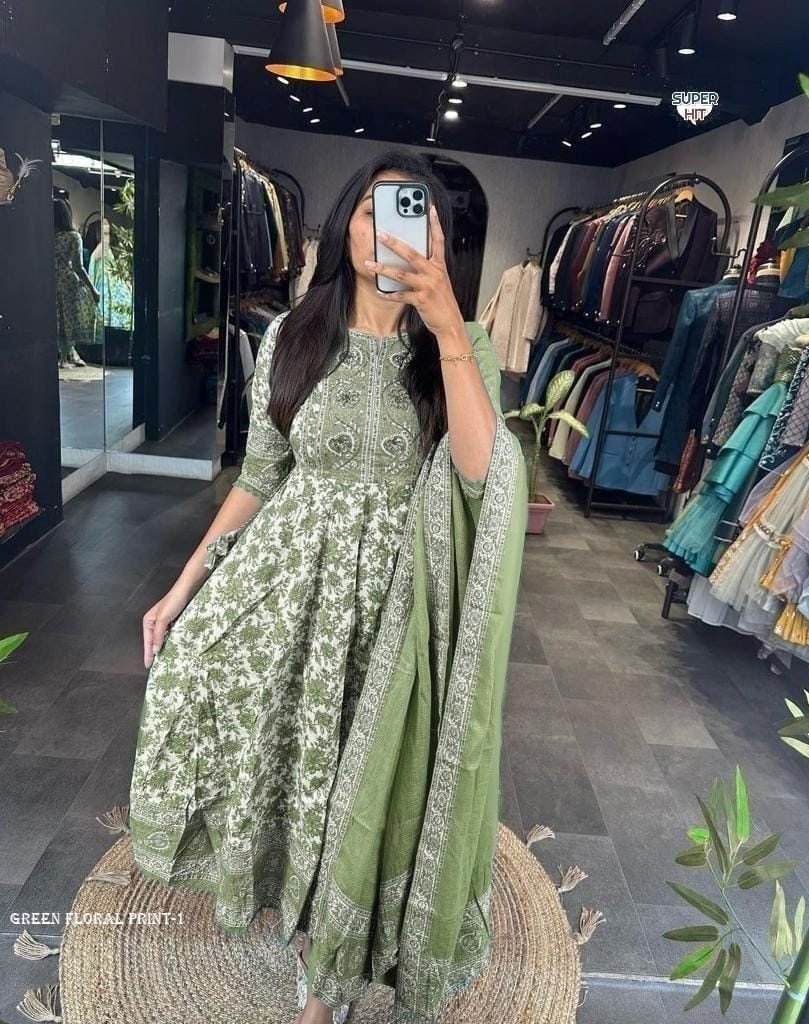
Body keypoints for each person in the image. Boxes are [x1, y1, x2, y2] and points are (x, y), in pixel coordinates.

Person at [127, 149, 527, 1024]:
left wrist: (449, 330)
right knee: (287, 761)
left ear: (438, 237)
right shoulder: (292, 335)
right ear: (345, 227)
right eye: (373, 211)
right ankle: (307, 935)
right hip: (290, 587)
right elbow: (260, 476)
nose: (389, 231)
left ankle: (333, 977)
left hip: (398, 606)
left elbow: (482, 477)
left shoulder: (459, 348)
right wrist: (184, 586)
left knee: (365, 781)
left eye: (413, 214)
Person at [54, 197, 97, 369]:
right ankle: (65, 357)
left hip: (50, 280)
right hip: (68, 281)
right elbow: (78, 267)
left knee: (58, 318)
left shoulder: (48, 237)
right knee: (70, 319)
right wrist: (93, 289)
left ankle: (67, 355)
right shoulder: (73, 237)